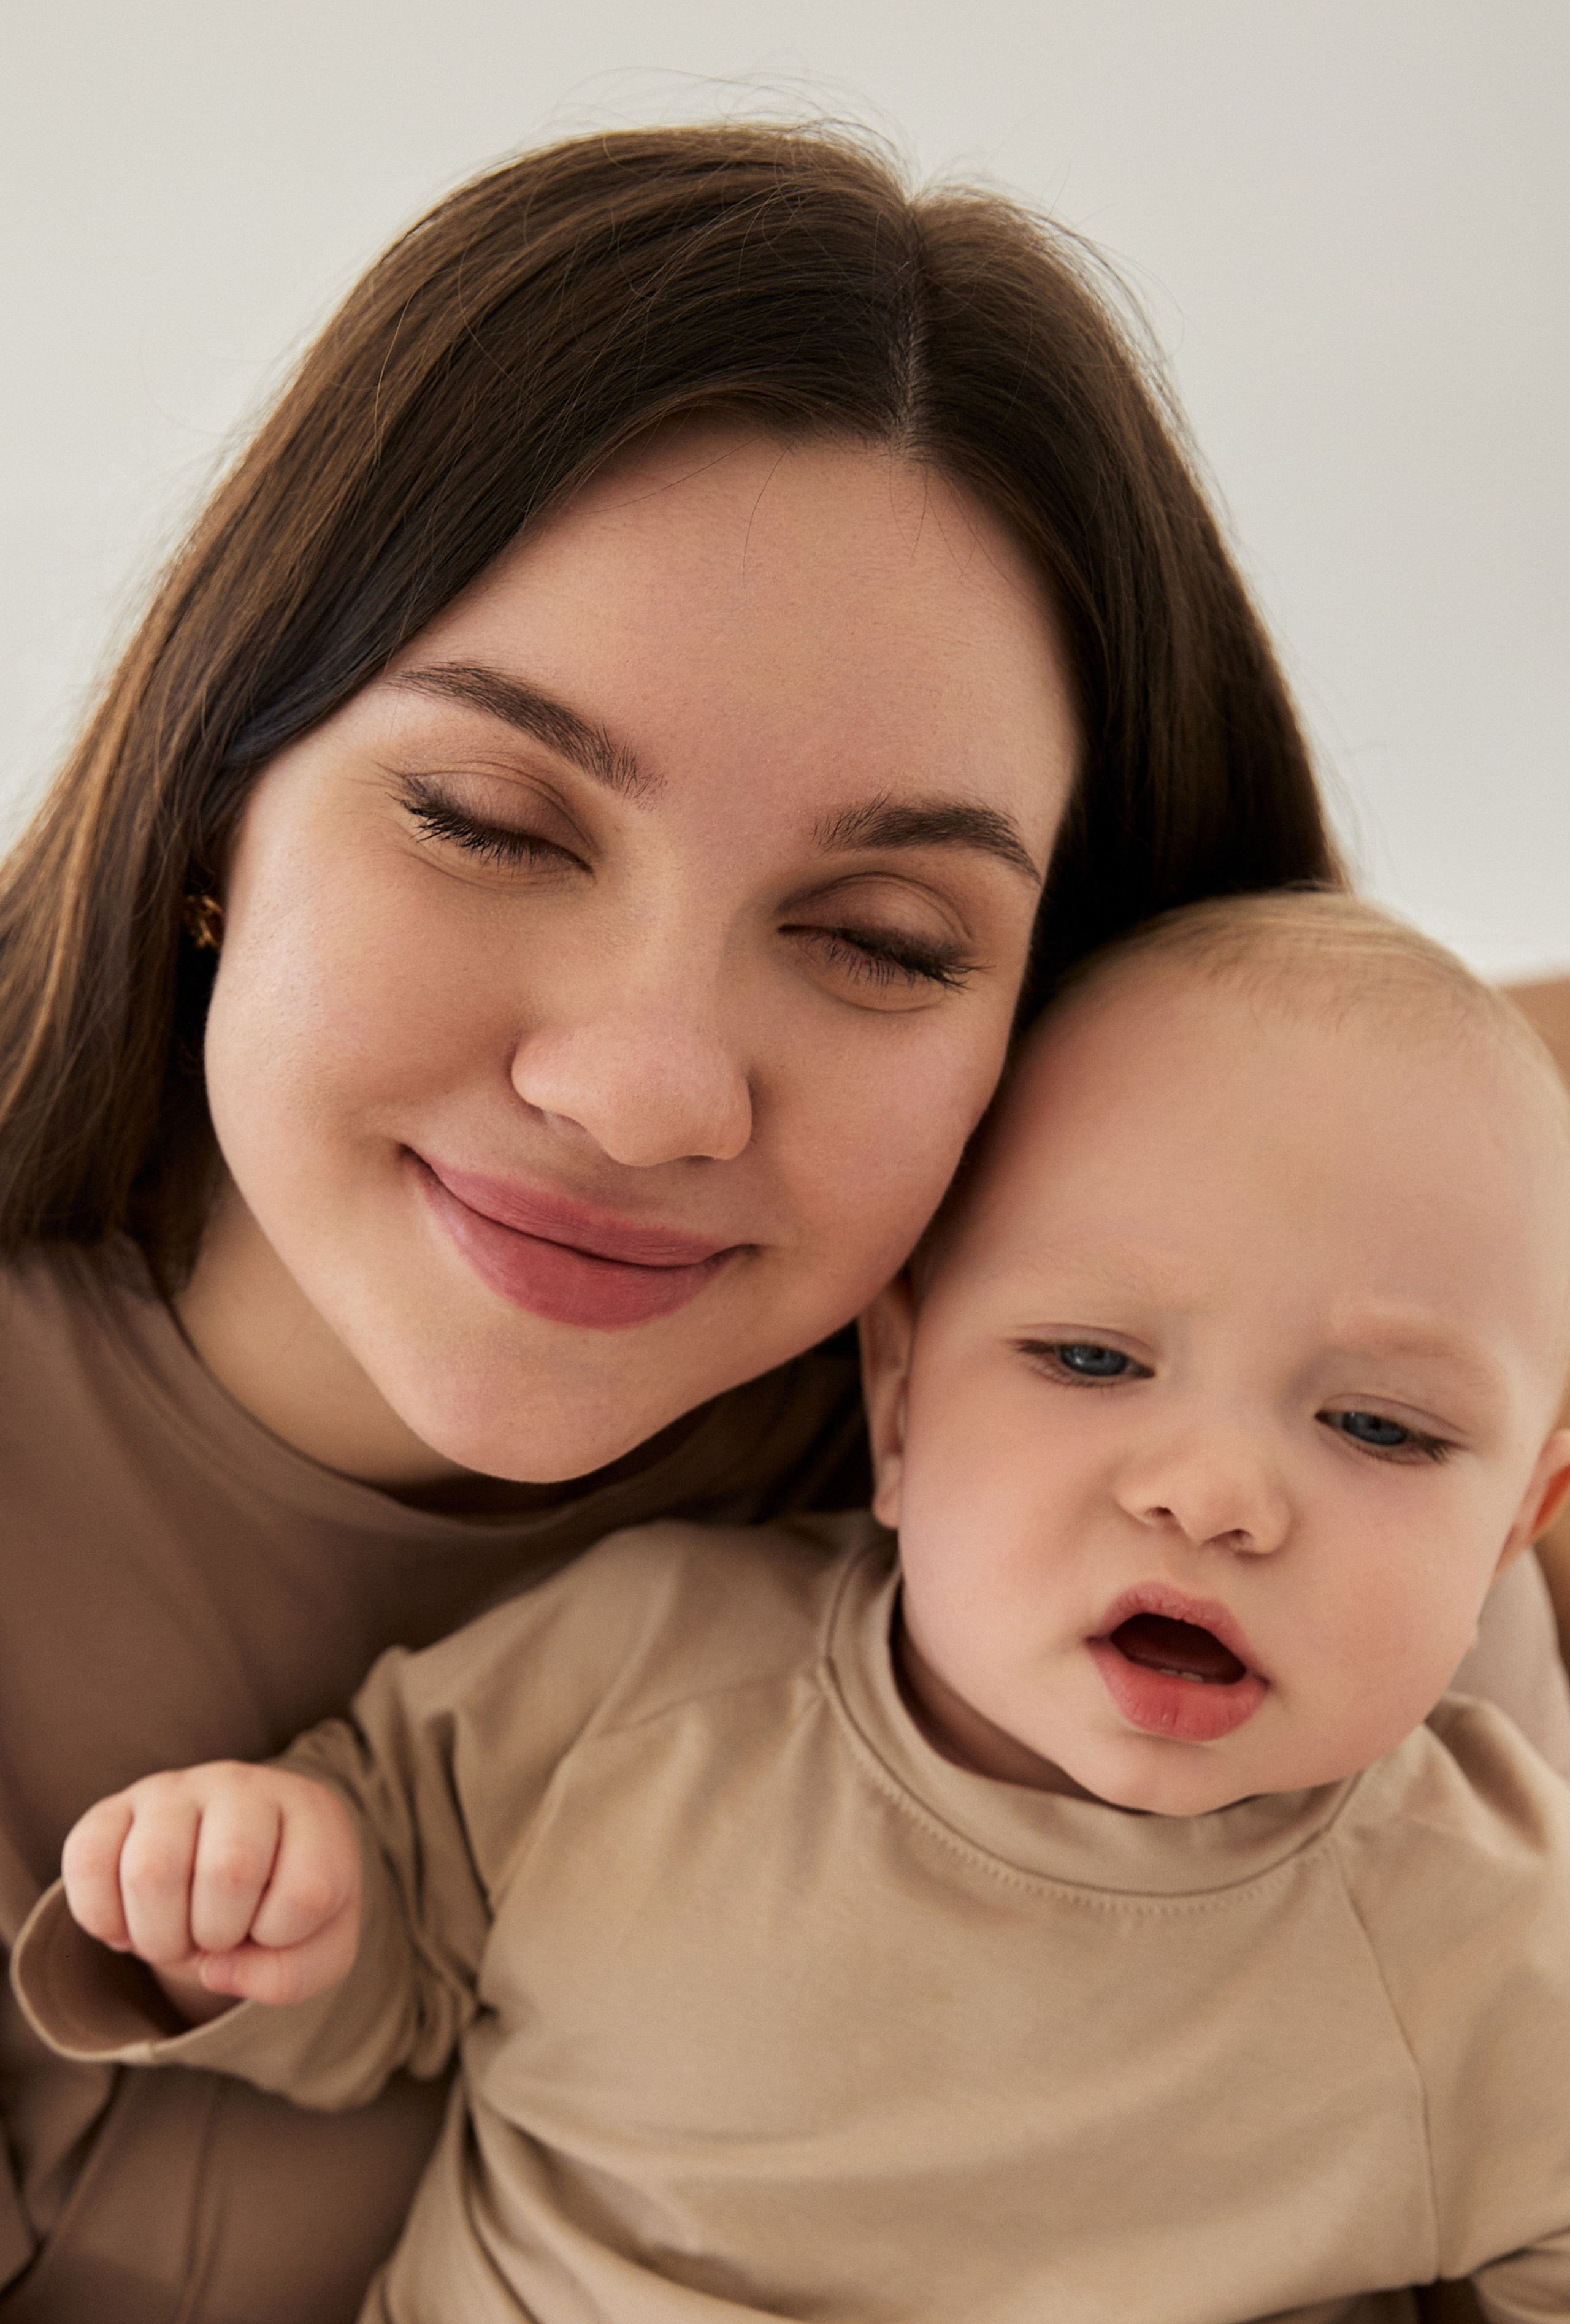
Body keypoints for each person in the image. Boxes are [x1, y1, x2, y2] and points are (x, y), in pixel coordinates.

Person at [0, 123, 1561, 2321]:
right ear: (211, 798)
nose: (648, 1085)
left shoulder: (1275, 1513)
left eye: (890, 939)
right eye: (486, 818)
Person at [23, 891, 1570, 2324]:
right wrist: (250, 1903)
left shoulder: (1487, 1945)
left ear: (1515, 1524)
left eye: (1379, 1429)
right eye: (1091, 1361)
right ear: (897, 1401)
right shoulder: (646, 1675)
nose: (1215, 1495)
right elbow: (385, 1948)